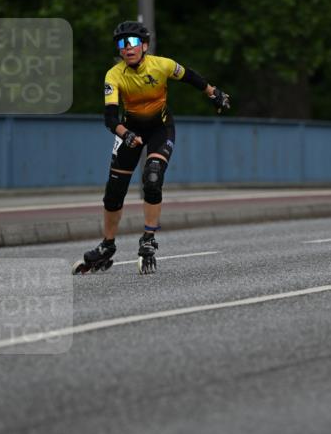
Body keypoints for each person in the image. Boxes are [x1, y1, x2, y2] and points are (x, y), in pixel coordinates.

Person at [72, 21, 230, 275]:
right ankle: (107, 246)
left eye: (132, 42)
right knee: (114, 193)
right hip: (129, 130)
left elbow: (191, 77)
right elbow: (110, 119)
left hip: (160, 128)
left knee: (153, 177)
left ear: (144, 45)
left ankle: (148, 238)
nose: (127, 48)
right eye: (122, 44)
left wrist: (214, 93)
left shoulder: (162, 65)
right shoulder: (114, 75)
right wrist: (127, 134)